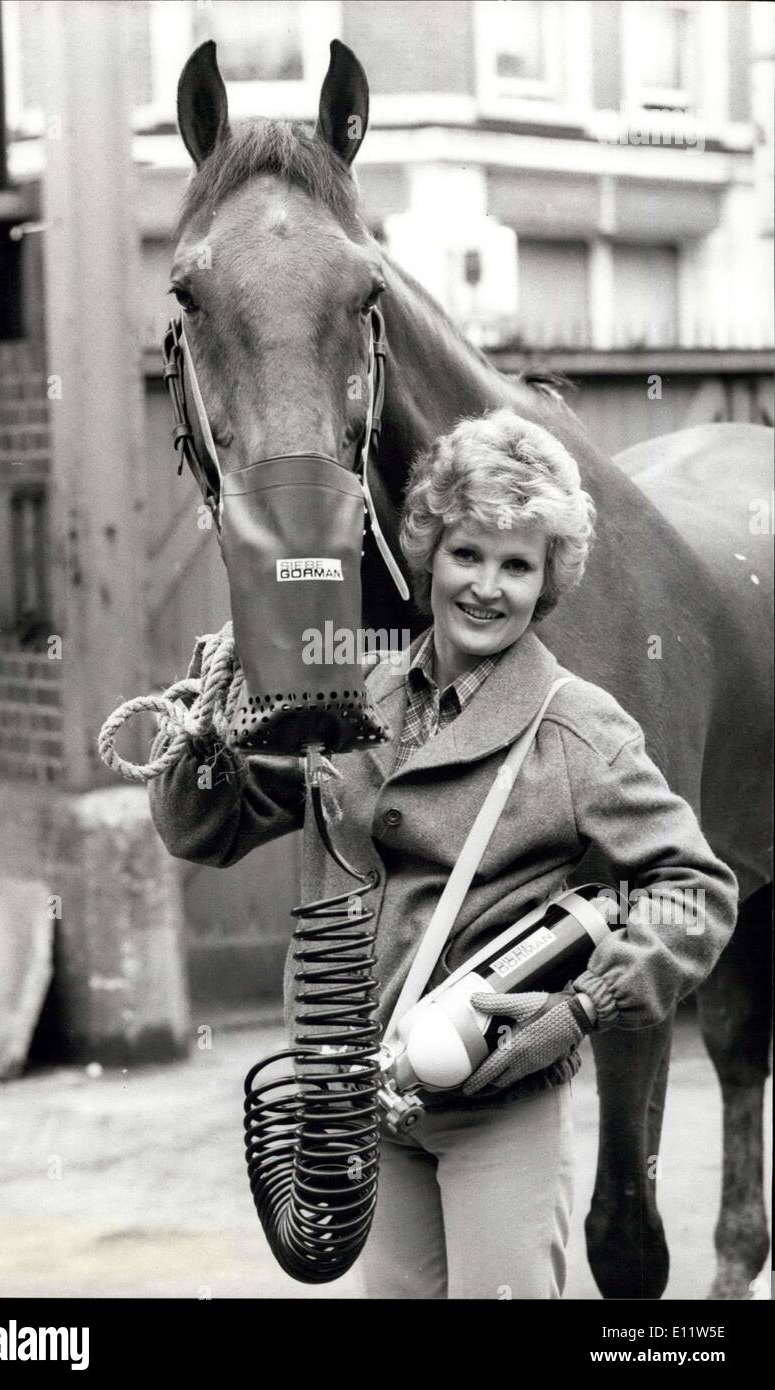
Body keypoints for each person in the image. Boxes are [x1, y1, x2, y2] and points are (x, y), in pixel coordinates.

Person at [147, 407, 738, 1300]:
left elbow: (692, 887)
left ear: (546, 583)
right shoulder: (349, 695)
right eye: (468, 553)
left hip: (499, 1108)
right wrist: (203, 734)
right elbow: (210, 827)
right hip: (359, 1096)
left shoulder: (576, 724)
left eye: (516, 565)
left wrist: (592, 998)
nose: (486, 588)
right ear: (428, 555)